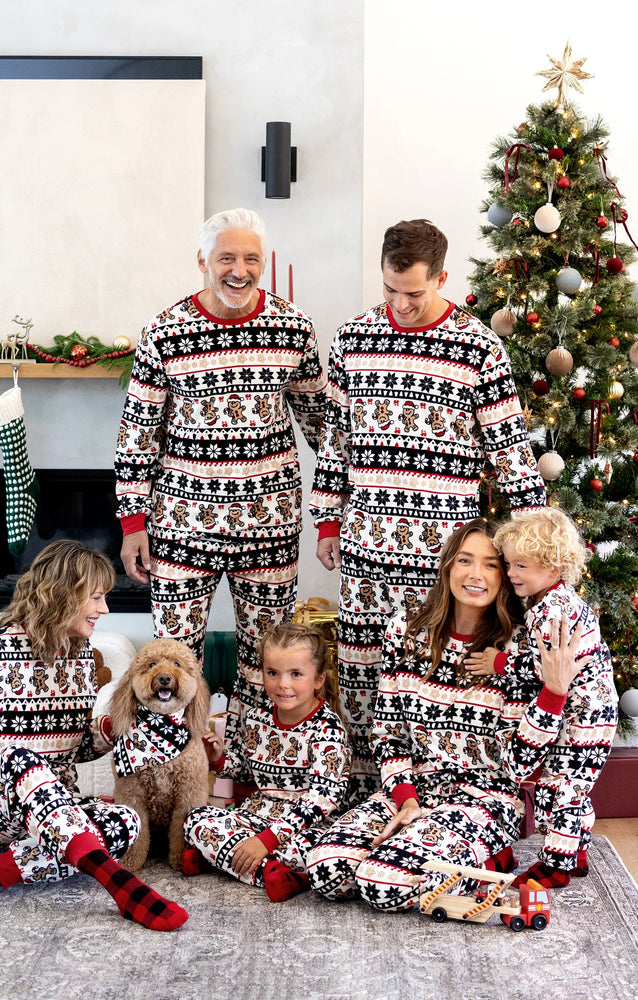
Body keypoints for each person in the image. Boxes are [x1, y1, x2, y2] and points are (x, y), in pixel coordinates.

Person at [310, 218, 546, 799]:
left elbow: (510, 449)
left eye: (414, 292)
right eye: (390, 289)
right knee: (365, 672)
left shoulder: (478, 347)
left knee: (432, 677)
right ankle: (366, 797)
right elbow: (335, 439)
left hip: (445, 556)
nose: (401, 303)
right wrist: (328, 518)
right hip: (367, 545)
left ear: (442, 277)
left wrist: (537, 545)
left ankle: (438, 799)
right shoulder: (354, 338)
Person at [115, 207, 327, 751]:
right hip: (182, 525)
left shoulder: (293, 326)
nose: (240, 269)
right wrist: (133, 522)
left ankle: (259, 769)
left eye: (251, 258)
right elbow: (137, 434)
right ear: (203, 262)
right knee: (172, 662)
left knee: (270, 657)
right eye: (226, 257)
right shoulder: (165, 330)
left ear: (264, 262)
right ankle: (171, 774)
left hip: (270, 523)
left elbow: (321, 424)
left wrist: (338, 509)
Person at [0, 540, 187, 931]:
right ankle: (120, 887)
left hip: (49, 820)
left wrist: (116, 729)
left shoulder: (81, 656)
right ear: (63, 594)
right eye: (96, 597)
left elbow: (73, 749)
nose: (104, 609)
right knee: (21, 759)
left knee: (126, 821)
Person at [307, 519, 584, 911]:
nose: (476, 574)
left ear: (506, 575)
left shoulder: (520, 648)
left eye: (491, 564)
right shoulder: (405, 632)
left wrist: (554, 694)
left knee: (381, 882)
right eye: (465, 560)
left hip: (486, 800)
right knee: (326, 869)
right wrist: (405, 800)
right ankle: (427, 851)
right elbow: (388, 735)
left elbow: (520, 765)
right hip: (417, 790)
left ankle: (492, 858)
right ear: (448, 566)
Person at [465, 507, 618, 888]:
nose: (512, 574)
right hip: (590, 709)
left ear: (553, 569)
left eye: (522, 566)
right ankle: (577, 851)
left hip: (585, 715)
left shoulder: (552, 612)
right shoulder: (553, 601)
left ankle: (556, 865)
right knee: (573, 785)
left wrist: (498, 662)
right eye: (510, 564)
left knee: (560, 787)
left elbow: (544, 670)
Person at [181, 622, 350, 901]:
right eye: (273, 673)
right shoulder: (258, 717)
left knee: (317, 856)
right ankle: (271, 872)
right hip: (256, 815)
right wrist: (218, 759)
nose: (283, 684)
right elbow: (247, 771)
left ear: (319, 678)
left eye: (296, 674)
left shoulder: (328, 730)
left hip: (306, 827)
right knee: (196, 819)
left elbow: (321, 801)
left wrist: (267, 841)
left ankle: (224, 859)